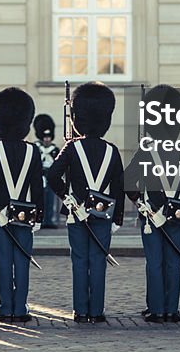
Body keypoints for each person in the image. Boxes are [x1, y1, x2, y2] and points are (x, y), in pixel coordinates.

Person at [48, 81, 124, 324]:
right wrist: (118, 219)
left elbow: (51, 176)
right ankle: (96, 311)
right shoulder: (112, 150)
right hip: (103, 216)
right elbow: (119, 189)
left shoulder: (71, 148)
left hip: (76, 213)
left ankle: (81, 311)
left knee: (80, 261)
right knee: (98, 262)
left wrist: (66, 197)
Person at [126, 84, 180, 324]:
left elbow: (128, 180)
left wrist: (138, 201)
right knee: (173, 262)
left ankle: (156, 309)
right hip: (178, 214)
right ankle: (171, 310)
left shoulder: (146, 149)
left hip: (151, 215)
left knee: (154, 262)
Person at [0, 88, 43, 322]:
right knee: (22, 263)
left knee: (5, 264)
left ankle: (5, 309)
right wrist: (39, 216)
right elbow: (37, 186)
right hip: (26, 216)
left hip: (1, 215)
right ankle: (20, 309)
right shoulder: (32, 151)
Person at [34, 114, 60, 228]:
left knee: (51, 199)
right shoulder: (36, 147)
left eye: (49, 137)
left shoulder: (55, 149)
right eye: (45, 137)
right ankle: (40, 219)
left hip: (50, 177)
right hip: (39, 176)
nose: (47, 139)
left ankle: (49, 219)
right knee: (40, 199)